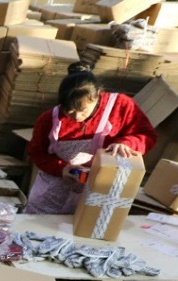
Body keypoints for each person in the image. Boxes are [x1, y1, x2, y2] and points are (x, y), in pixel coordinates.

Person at [26, 62, 157, 214]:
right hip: (52, 194)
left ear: (96, 96)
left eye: (82, 110)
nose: (76, 117)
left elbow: (148, 136)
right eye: (69, 111)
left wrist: (127, 143)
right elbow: (36, 152)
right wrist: (61, 169)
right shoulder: (49, 119)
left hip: (97, 194)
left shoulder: (121, 106)